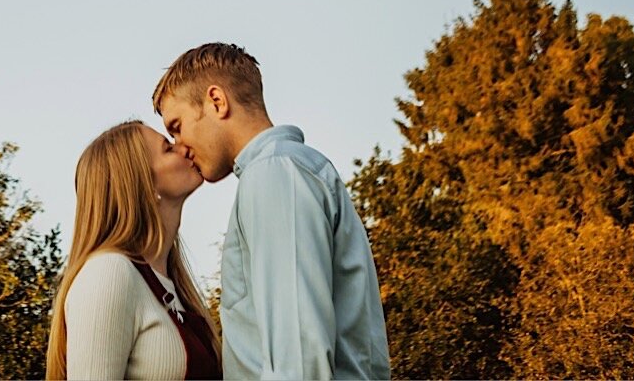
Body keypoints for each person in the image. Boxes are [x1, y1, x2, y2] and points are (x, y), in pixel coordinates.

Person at [153, 43, 390, 380]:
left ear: (216, 101)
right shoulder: (289, 170)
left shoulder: (274, 174)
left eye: (176, 126)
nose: (179, 146)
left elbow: (299, 352)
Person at [46, 121, 222, 381]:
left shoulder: (175, 286)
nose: (183, 147)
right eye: (167, 148)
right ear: (142, 182)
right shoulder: (108, 273)